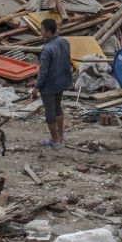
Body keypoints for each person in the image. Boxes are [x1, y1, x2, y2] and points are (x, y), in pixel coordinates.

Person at [32, 17, 72, 149]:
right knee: (58, 107)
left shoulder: (47, 48)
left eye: (42, 30)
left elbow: (43, 71)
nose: (41, 32)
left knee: (50, 111)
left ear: (48, 31)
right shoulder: (64, 42)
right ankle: (60, 135)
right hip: (61, 81)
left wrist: (37, 86)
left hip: (49, 84)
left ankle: (54, 139)